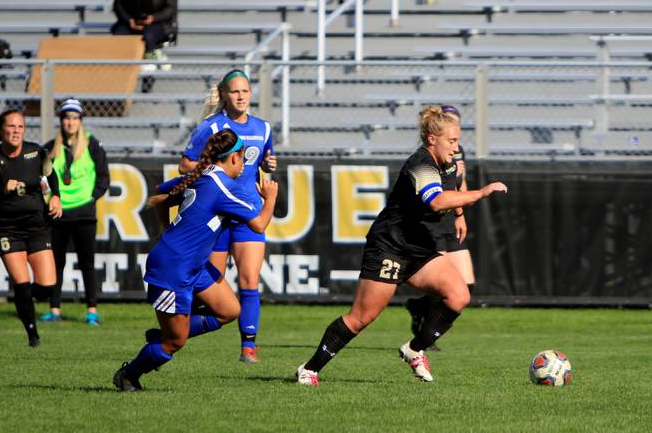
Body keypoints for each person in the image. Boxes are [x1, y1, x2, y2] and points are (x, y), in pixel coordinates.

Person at [295, 106, 507, 386]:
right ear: (432, 139)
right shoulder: (420, 163)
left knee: (459, 295)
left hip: (419, 247)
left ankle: (414, 349)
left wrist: (460, 214)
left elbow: (452, 190)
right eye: (452, 141)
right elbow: (436, 200)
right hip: (390, 246)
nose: (456, 148)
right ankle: (309, 370)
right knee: (362, 317)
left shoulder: (450, 163)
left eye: (458, 141)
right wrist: (480, 193)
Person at [112, 130, 279, 392]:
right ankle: (128, 375)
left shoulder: (201, 176)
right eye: (242, 158)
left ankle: (162, 336)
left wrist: (166, 230)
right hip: (173, 268)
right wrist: (270, 198)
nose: (245, 164)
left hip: (193, 265)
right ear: (232, 158)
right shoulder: (223, 186)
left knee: (229, 311)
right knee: (175, 343)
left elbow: (159, 196)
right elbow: (258, 224)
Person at [179, 69, 277, 363]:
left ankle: (249, 346)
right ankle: (178, 331)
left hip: (248, 211)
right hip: (218, 215)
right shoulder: (212, 127)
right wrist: (212, 171)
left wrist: (269, 163)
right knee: (212, 283)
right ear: (223, 94)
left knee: (249, 280)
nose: (241, 96)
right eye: (235, 91)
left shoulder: (263, 128)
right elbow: (186, 164)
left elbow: (265, 163)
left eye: (245, 91)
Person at [0, 109, 63, 347]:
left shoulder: (36, 152)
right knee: (22, 283)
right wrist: (1, 190)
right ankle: (32, 334)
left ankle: (23, 301)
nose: (16, 131)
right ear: (0, 130)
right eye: (11, 126)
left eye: (20, 127)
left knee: (46, 287)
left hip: (37, 227)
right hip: (7, 230)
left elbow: (51, 176)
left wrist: (56, 197)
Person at [405, 105, 475, 352]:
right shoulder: (427, 158)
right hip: (433, 220)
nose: (455, 143)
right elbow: (434, 195)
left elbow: (459, 183)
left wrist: (460, 214)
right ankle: (424, 337)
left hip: (450, 218)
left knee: (467, 283)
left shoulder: (457, 152)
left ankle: (419, 308)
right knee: (443, 285)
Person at [40, 99, 110, 325]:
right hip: (58, 213)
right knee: (56, 263)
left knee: (87, 263)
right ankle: (54, 309)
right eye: (66, 117)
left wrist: (91, 199)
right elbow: (42, 180)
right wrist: (51, 200)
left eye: (74, 117)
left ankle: (91, 310)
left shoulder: (93, 145)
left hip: (84, 214)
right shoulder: (51, 147)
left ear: (80, 121)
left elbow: (103, 177)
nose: (70, 122)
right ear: (61, 121)